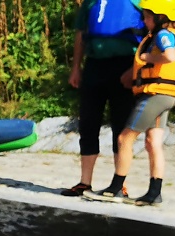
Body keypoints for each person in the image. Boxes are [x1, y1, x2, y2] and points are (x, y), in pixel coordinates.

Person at [84, 0, 175, 206]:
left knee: (125, 138)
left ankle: (116, 189)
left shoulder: (163, 35)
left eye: (147, 16)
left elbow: (170, 56)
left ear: (160, 17)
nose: (144, 20)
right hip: (168, 94)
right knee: (153, 142)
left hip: (154, 94)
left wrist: (146, 56)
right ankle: (154, 193)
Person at [60, 0, 144, 197]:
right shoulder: (90, 2)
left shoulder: (139, 2)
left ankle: (119, 183)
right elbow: (81, 34)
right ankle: (84, 182)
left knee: (121, 125)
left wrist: (135, 70)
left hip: (125, 65)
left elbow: (150, 35)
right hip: (94, 65)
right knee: (88, 122)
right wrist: (75, 68)